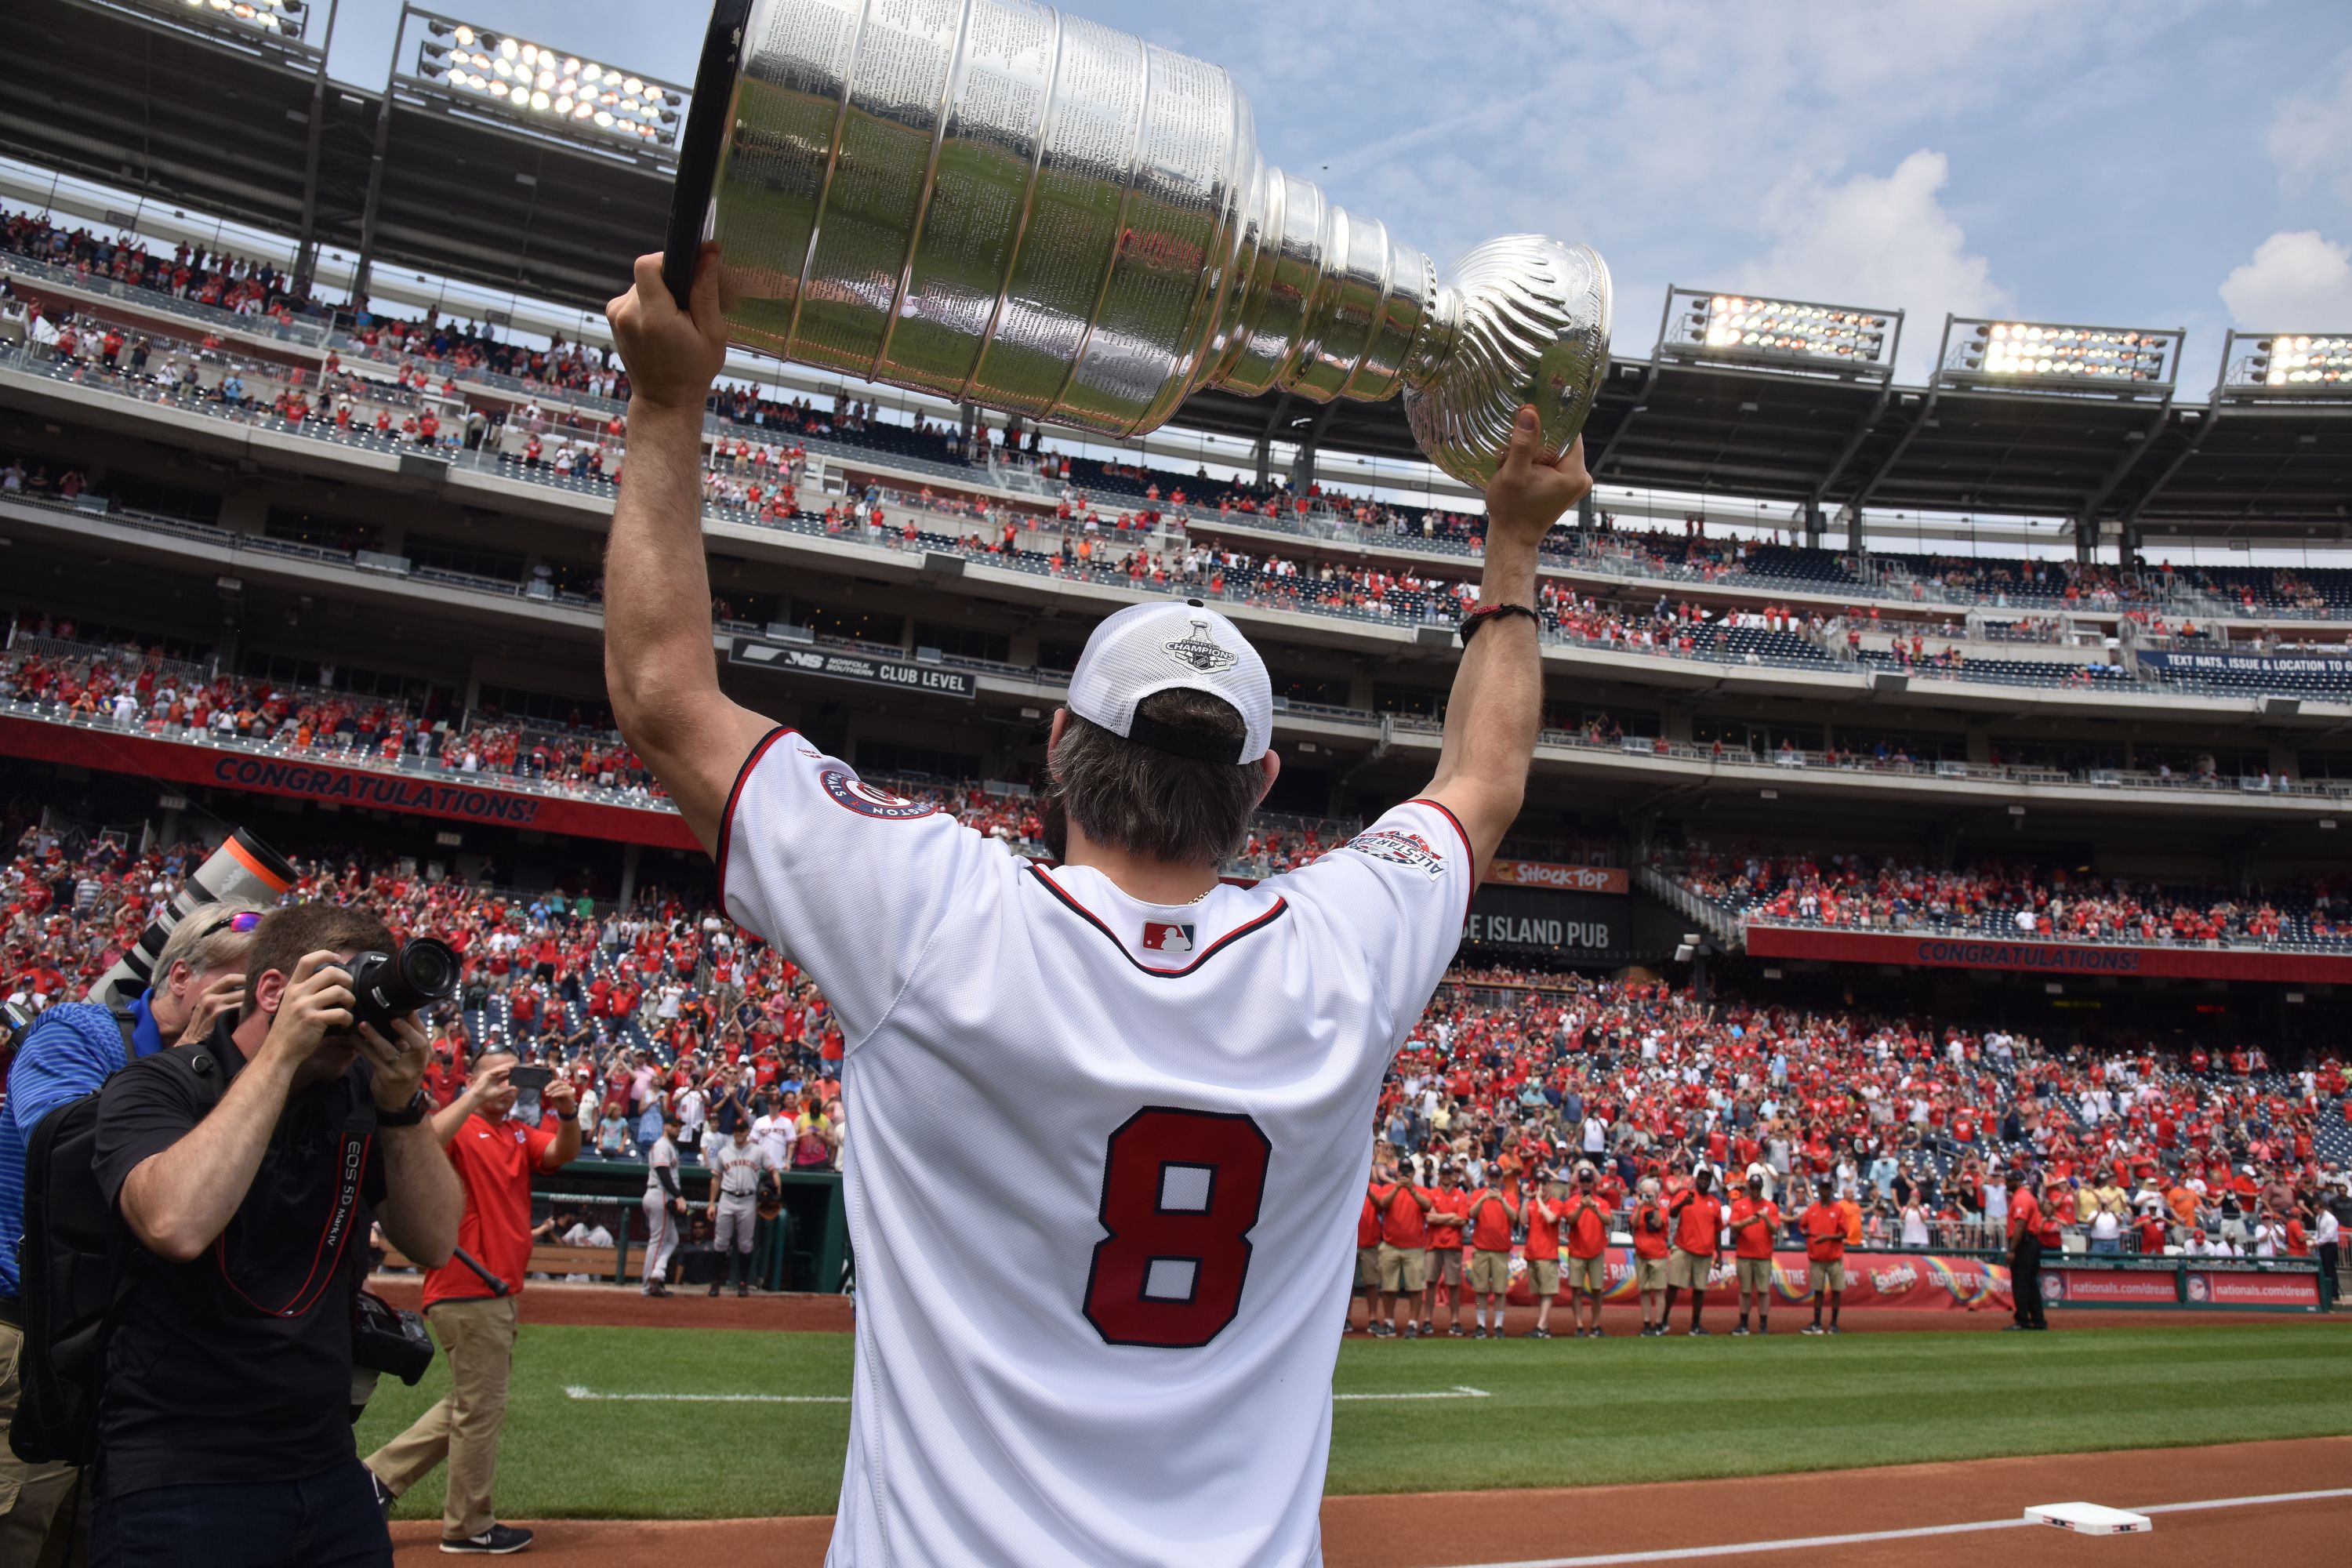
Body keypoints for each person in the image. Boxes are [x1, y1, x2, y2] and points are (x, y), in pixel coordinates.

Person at [601, 241, 1588, 1562]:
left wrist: (669, 404)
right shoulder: (1339, 958)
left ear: (1059, 747)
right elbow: (1483, 781)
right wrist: (1511, 552)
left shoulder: (938, 919)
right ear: (1264, 783)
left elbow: (666, 695)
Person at [91, 904, 462, 1566]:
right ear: (273, 991)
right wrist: (282, 1055)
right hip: (181, 1473)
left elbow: (434, 1241)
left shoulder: (360, 1098)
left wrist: (403, 1106)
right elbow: (175, 1226)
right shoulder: (157, 1086)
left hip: (326, 1467)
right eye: (342, 989)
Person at [0, 898, 266, 1564]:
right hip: (30, 1334)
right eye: (240, 986)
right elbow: (65, 1154)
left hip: (146, 1354)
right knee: (21, 1525)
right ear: (180, 977)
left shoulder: (247, 1077)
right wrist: (184, 1067)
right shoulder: (77, 1031)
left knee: (116, 1539)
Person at [365, 1048, 581, 1555]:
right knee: (480, 1410)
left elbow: (561, 1154)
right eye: (497, 1077)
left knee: (471, 1404)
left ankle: (375, 1478)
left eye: (513, 1079)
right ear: (473, 1080)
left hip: (496, 1290)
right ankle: (467, 1525)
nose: (508, 1086)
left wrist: (568, 1113)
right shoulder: (460, 1124)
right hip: (467, 1285)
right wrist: (472, 1096)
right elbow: (418, 1146)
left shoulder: (517, 1134)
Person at [706, 1121, 776, 1298]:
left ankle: (743, 1283)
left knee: (746, 1244)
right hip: (727, 1198)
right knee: (720, 1242)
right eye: (736, 1130)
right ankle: (716, 1283)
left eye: (742, 1130)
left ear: (747, 1131)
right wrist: (711, 1203)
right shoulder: (724, 1152)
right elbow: (715, 1179)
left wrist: (777, 1191)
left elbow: (773, 1171)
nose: (738, 1133)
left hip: (748, 1200)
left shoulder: (757, 1151)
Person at [1367, 1154, 1434, 1338]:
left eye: (1408, 1171)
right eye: (1402, 1171)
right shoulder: (1389, 1188)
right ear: (1397, 1173)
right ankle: (1389, 1322)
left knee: (1415, 1288)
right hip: (1390, 1245)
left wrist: (1411, 1189)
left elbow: (1427, 1205)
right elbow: (1382, 1204)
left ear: (1413, 1173)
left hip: (1414, 1247)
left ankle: (1412, 1324)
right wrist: (1398, 1187)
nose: (1405, 1174)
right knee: (1389, 1287)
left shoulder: (1421, 1190)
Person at [1664, 1166, 1723, 1334]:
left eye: (1707, 1179)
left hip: (1704, 1251)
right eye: (1702, 1178)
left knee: (1699, 1289)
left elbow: (1718, 1231)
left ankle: (1695, 1324)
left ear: (1710, 1182)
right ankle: (1663, 1320)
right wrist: (1683, 1203)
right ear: (1696, 1180)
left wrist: (1719, 1255)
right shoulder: (1685, 1195)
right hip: (1683, 1247)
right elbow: (1672, 1213)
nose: (1704, 1182)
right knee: (1673, 1285)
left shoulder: (1715, 1203)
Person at [1465, 1174, 1520, 1339]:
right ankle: (1480, 1324)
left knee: (1500, 1290)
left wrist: (1501, 1200)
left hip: (1501, 1250)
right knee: (1480, 1290)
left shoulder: (1508, 1196)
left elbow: (1514, 1217)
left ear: (1501, 1179)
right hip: (1481, 1249)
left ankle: (1498, 1325)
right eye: (1492, 1177)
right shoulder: (1478, 1194)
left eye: (1497, 1177)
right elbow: (1471, 1213)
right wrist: (1484, 1197)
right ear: (1488, 1178)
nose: (1495, 1180)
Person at [1560, 1163, 1611, 1338]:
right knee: (1577, 1290)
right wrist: (1583, 1206)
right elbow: (1570, 1220)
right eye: (1583, 1181)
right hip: (1577, 1251)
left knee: (1597, 1289)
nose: (1585, 1184)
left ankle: (1595, 1324)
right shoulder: (1572, 1202)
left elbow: (1608, 1221)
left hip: (1596, 1250)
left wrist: (1594, 1208)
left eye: (1588, 1181)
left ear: (1593, 1183)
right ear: (1578, 1183)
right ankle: (1579, 1324)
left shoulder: (1602, 1202)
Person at [1728, 1171, 1780, 1336]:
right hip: (1744, 1254)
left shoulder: (1770, 1207)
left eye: (1758, 1187)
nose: (1755, 1190)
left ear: (1761, 1188)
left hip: (1763, 1255)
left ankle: (1763, 1324)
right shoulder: (1740, 1205)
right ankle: (1743, 1323)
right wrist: (1747, 1221)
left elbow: (1775, 1229)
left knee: (1763, 1291)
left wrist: (1765, 1219)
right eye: (1753, 1187)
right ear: (1749, 1188)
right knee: (1745, 1291)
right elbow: (1733, 1226)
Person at [1421, 1164, 1470, 1337]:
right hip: (1433, 1244)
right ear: (1439, 1175)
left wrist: (1441, 1217)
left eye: (1450, 1173)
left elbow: (1462, 1220)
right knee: (1430, 1282)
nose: (1447, 1176)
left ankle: (1455, 1321)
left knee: (1454, 1284)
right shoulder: (1431, 1193)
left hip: (1453, 1244)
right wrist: (1450, 1216)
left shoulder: (1461, 1195)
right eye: (1444, 1173)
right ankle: (1427, 1320)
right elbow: (1430, 1218)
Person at [642, 1110, 688, 1297]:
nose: (677, 1129)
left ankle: (658, 1273)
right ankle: (648, 1285)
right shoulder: (662, 1145)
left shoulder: (670, 1146)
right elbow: (663, 1171)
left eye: (679, 1126)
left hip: (663, 1195)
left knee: (672, 1239)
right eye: (674, 1125)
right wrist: (678, 1196)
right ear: (665, 1126)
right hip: (659, 1193)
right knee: (658, 1241)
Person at [2006, 1171, 2052, 1331]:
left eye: (2009, 1181)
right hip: (2031, 1242)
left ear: (2018, 1182)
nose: (2006, 1183)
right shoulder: (2027, 1197)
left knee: (2021, 1284)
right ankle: (2038, 1321)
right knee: (2031, 1284)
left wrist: (2012, 1250)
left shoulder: (2021, 1198)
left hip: (2024, 1243)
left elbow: (2020, 1225)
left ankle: (2023, 1321)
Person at [1801, 1179, 1847, 1335]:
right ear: (1819, 1190)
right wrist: (1805, 1233)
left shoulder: (1838, 1209)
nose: (1825, 1191)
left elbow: (1844, 1233)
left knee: (1836, 1290)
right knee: (1818, 1291)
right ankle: (1817, 1322)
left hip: (1834, 1256)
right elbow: (1802, 1226)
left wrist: (1828, 1237)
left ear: (1831, 1190)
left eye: (1828, 1188)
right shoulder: (1812, 1209)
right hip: (1816, 1256)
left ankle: (1834, 1323)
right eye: (1823, 1188)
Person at [1523, 1174, 1564, 1339]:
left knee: (1547, 1292)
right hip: (1533, 1252)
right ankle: (1544, 1327)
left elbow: (1551, 1218)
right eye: (1538, 1183)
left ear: (1550, 1186)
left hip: (1548, 1253)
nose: (1541, 1186)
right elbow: (1522, 1220)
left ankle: (1541, 1326)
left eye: (1544, 1183)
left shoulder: (1556, 1204)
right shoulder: (1532, 1204)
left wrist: (1539, 1200)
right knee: (1540, 1292)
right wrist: (1526, 1199)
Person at [1632, 1178, 1671, 1335]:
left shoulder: (1662, 1208)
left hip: (1657, 1254)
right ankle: (1647, 1323)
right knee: (1645, 1291)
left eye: (1651, 1194)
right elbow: (1634, 1224)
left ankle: (1659, 1324)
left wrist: (1654, 1207)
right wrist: (1641, 1207)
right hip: (1642, 1254)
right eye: (1645, 1193)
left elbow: (1658, 1223)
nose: (1647, 1197)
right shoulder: (1638, 1208)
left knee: (1659, 1290)